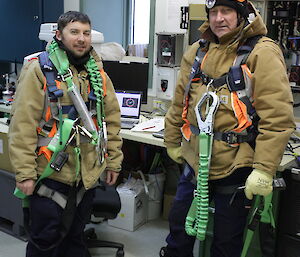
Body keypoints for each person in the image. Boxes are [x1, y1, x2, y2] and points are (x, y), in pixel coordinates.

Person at [160, 0, 295, 257]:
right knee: (179, 229)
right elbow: (179, 101)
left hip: (235, 165)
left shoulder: (262, 53)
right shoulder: (198, 51)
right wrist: (172, 139)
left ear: (242, 15)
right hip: (195, 160)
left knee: (225, 242)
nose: (219, 18)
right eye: (213, 13)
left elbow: (277, 117)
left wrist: (264, 169)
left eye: (226, 12)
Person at [8, 11, 123, 257]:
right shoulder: (39, 70)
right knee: (45, 243)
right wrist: (25, 173)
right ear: (59, 35)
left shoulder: (98, 75)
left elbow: (110, 121)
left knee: (75, 241)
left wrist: (113, 160)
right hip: (49, 174)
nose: (81, 38)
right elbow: (22, 126)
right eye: (74, 32)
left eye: (86, 33)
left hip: (87, 176)